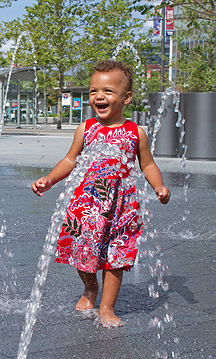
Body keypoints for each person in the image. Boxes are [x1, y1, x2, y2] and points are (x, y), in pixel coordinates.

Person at [31, 60, 170, 328]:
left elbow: (148, 164)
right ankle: (90, 287)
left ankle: (107, 307)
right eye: (94, 91)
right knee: (82, 253)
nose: (99, 96)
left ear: (126, 97)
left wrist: (158, 186)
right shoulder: (86, 129)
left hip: (122, 207)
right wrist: (50, 179)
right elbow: (70, 160)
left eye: (107, 91)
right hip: (87, 205)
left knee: (116, 257)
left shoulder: (135, 132)